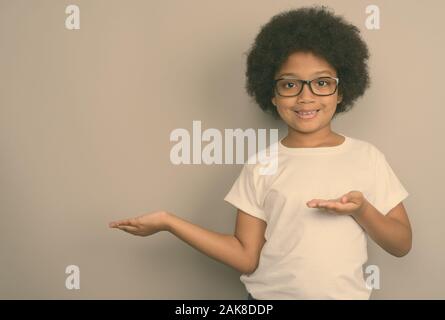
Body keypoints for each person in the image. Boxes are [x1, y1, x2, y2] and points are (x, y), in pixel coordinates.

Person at [109, 5, 412, 300]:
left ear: (341, 90)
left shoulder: (367, 157)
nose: (306, 97)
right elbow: (246, 256)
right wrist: (168, 222)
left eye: (321, 83)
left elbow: (401, 244)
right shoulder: (261, 166)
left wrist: (362, 210)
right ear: (272, 93)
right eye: (290, 84)